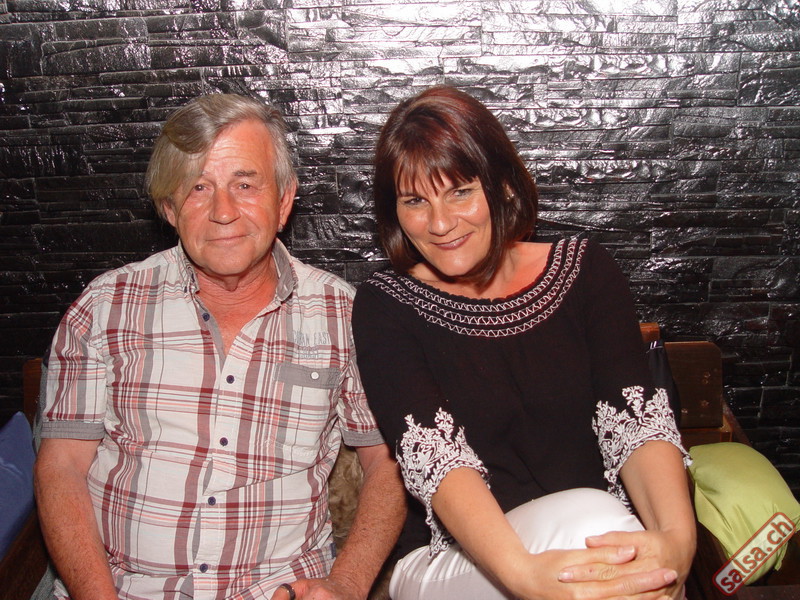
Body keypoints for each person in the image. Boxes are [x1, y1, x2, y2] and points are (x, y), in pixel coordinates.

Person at [33, 93, 405, 600]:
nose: (223, 212)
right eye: (197, 188)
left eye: (245, 185)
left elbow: (387, 461)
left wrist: (346, 583)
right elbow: (61, 467)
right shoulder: (103, 307)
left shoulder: (345, 315)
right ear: (169, 208)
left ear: (284, 200)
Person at [351, 86, 696, 600]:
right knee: (596, 524)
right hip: (454, 563)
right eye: (415, 201)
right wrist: (526, 577)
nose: (440, 223)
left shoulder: (586, 271)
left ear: (504, 185)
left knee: (617, 547)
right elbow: (439, 462)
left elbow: (638, 422)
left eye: (460, 192)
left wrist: (678, 545)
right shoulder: (386, 304)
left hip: (598, 543)